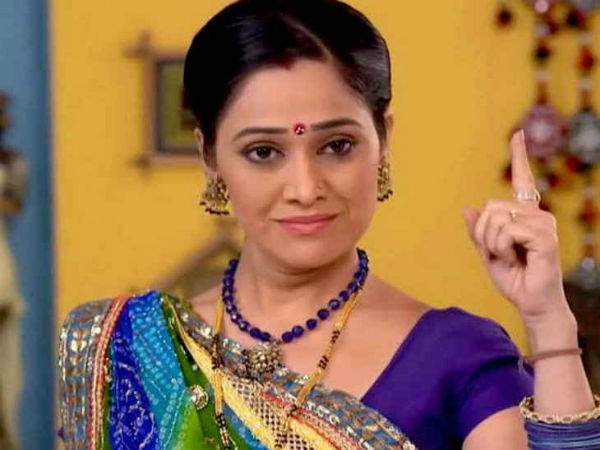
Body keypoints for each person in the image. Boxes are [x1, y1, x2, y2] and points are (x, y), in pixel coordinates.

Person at [57, 1, 600, 449]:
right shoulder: (125, 352)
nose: (305, 187)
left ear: (383, 139)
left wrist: (548, 320)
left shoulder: (458, 357)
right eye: (263, 151)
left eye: (336, 146)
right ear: (210, 157)